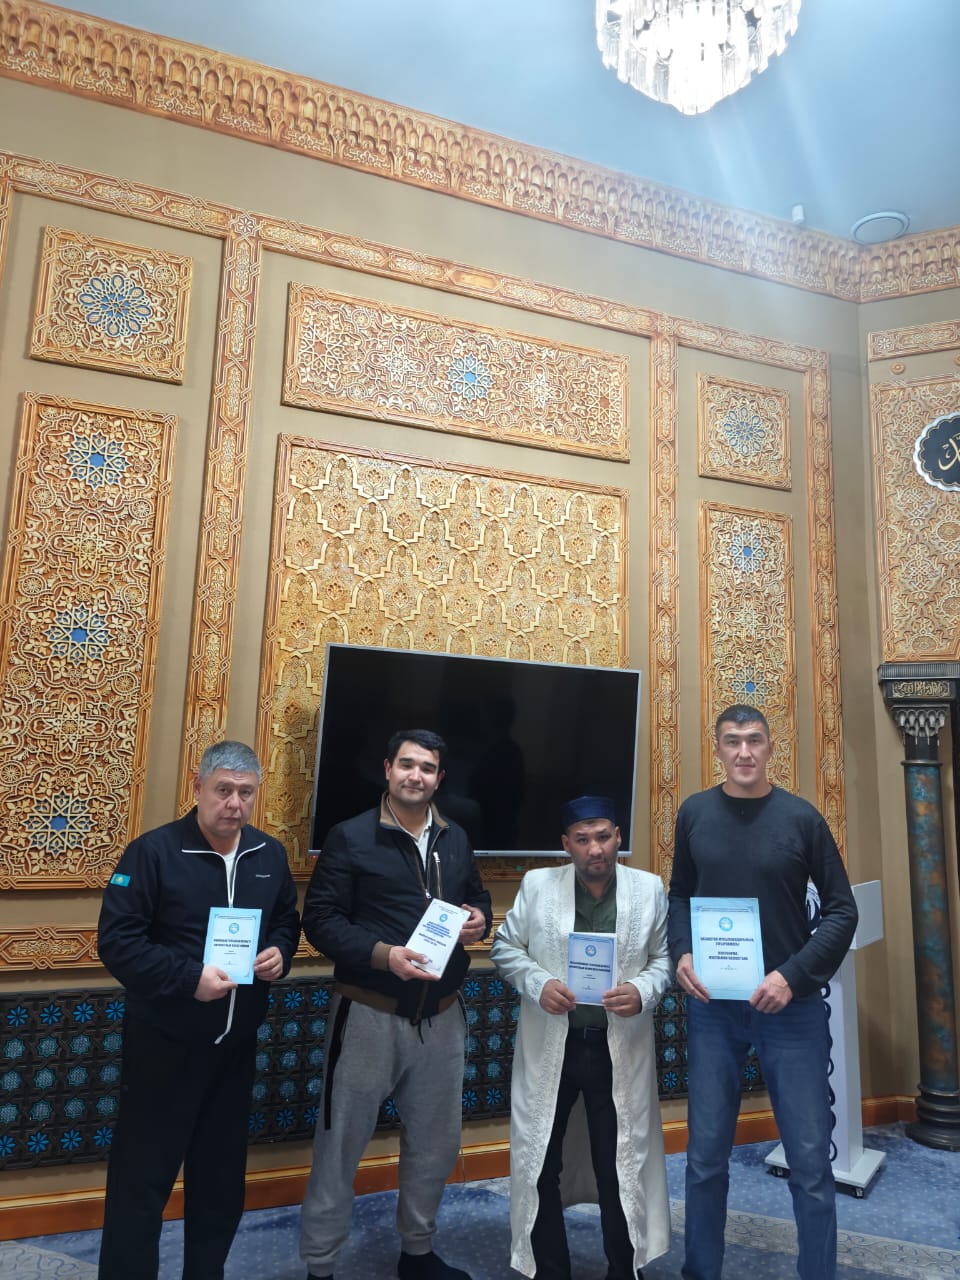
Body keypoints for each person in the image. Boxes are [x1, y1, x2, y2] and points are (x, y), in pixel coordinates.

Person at [96, 740, 300, 1280]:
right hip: (164, 1047)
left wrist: (280, 952)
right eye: (223, 790)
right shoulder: (153, 852)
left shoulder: (268, 855)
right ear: (198, 787)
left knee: (219, 1185)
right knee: (142, 1185)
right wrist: (190, 980)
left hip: (235, 1050)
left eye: (245, 793)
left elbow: (286, 921)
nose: (234, 803)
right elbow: (118, 942)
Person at [668, 705, 858, 1280]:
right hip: (714, 1009)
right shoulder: (694, 813)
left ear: (772, 747)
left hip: (790, 1010)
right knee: (704, 1158)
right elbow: (679, 895)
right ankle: (701, 1271)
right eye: (732, 741)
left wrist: (792, 977)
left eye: (754, 740)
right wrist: (682, 952)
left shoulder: (802, 819)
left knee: (810, 1162)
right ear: (718, 749)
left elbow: (842, 911)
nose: (744, 751)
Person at [299, 729, 492, 1280]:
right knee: (340, 1146)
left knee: (435, 1146)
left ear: (440, 778)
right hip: (368, 1014)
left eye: (427, 768)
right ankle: (320, 1265)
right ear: (387, 769)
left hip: (442, 1016)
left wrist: (479, 919)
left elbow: (475, 896)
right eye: (407, 764)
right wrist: (384, 956)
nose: (416, 776)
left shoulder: (455, 836)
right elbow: (321, 922)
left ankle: (418, 1253)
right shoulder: (350, 836)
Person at [490, 795, 673, 1280]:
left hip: (618, 1050)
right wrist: (538, 983)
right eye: (584, 839)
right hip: (553, 1048)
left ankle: (622, 1269)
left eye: (605, 837)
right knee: (540, 1161)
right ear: (566, 844)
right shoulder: (538, 886)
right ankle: (550, 1269)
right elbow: (505, 947)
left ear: (618, 837)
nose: (596, 849)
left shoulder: (649, 889)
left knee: (619, 1165)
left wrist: (642, 990)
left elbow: (664, 959)